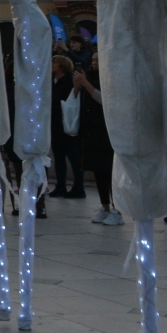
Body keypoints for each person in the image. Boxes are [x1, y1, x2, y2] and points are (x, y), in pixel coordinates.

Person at [73, 62, 119, 225]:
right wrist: (78, 86)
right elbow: (74, 101)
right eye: (92, 60)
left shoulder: (109, 80)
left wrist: (85, 83)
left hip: (106, 134)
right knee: (99, 172)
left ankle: (116, 209)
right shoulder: (89, 78)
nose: (93, 63)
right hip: (91, 134)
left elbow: (104, 100)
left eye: (98, 59)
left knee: (109, 173)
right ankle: (105, 207)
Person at [48, 55, 85, 200]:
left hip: (68, 124)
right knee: (59, 159)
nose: (52, 64)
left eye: (54, 62)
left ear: (62, 65)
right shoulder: (52, 81)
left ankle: (78, 187)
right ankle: (61, 185)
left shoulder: (69, 80)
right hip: (56, 124)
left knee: (74, 159)